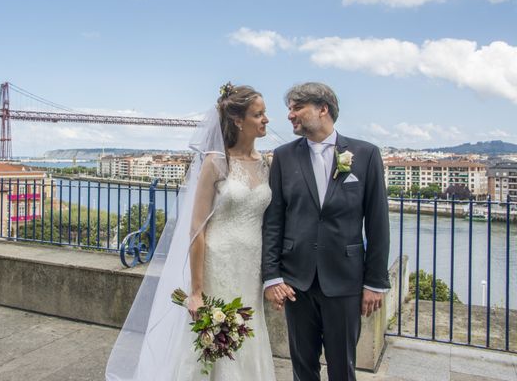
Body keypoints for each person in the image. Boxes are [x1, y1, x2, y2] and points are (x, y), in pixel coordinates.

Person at [106, 83, 276, 381]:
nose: (266, 120)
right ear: (238, 120)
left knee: (248, 332)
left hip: (251, 267)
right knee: (210, 344)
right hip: (217, 263)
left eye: (265, 114)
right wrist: (196, 291)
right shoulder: (215, 162)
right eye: (259, 114)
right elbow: (196, 229)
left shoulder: (267, 165)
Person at [262, 82, 390, 381]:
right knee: (302, 367)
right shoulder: (283, 156)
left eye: (297, 108)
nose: (290, 115)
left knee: (342, 368)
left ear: (323, 109)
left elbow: (377, 222)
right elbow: (274, 221)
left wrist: (375, 282)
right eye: (289, 109)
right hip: (297, 282)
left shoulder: (366, 154)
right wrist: (271, 276)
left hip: (345, 280)